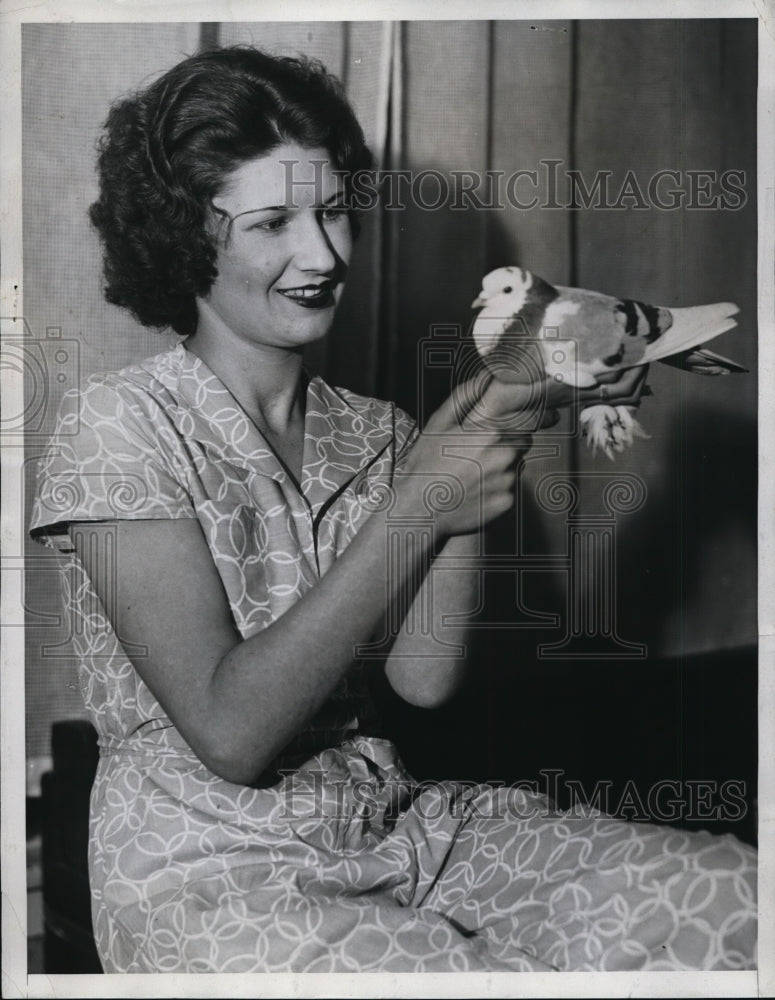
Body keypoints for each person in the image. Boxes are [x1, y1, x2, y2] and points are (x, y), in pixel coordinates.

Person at [30, 46, 756, 974]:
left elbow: (422, 679)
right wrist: (421, 503)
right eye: (273, 222)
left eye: (333, 211)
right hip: (205, 877)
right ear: (186, 238)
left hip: (403, 832)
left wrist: (486, 421)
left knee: (735, 900)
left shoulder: (376, 430)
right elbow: (230, 731)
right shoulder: (118, 424)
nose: (324, 254)